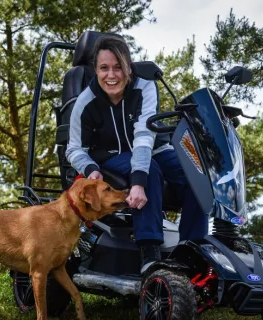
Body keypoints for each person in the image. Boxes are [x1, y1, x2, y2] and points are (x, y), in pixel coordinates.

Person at [66, 36, 209, 272]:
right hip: (112, 155)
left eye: (118, 67)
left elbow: (144, 135)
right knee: (148, 171)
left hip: (153, 147)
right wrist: (92, 169)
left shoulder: (144, 85)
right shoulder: (85, 101)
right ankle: (149, 252)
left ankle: (192, 249)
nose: (111, 75)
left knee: (195, 173)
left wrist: (138, 177)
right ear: (95, 70)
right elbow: (74, 148)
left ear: (128, 66)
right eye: (104, 68)